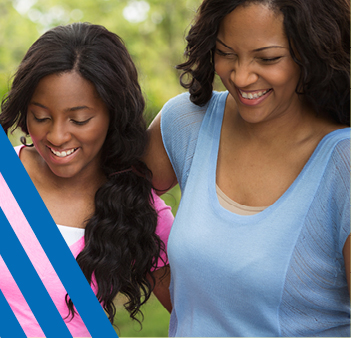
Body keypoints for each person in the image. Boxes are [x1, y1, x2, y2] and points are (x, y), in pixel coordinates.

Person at [145, 0, 350, 336]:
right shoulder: (187, 122)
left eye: (267, 59)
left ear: (312, 52)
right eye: (226, 53)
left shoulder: (344, 164)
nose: (240, 76)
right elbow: (113, 195)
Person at [0, 22, 173, 337]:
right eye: (41, 117)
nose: (57, 136)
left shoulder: (137, 207)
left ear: (113, 113)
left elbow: (198, 314)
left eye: (79, 120)